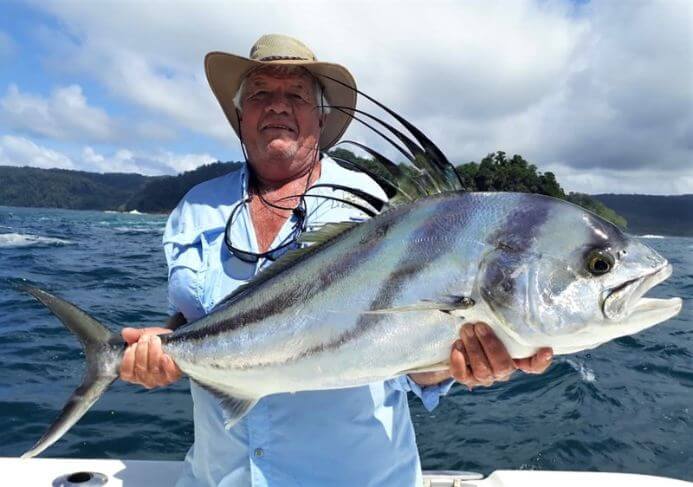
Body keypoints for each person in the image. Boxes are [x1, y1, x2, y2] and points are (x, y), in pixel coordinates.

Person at [119, 34, 553, 486]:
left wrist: (459, 358)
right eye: (261, 94)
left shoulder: (377, 208)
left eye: (297, 95)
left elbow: (405, 344)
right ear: (241, 115)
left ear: (321, 116)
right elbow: (197, 317)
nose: (278, 106)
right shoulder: (196, 207)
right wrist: (164, 347)